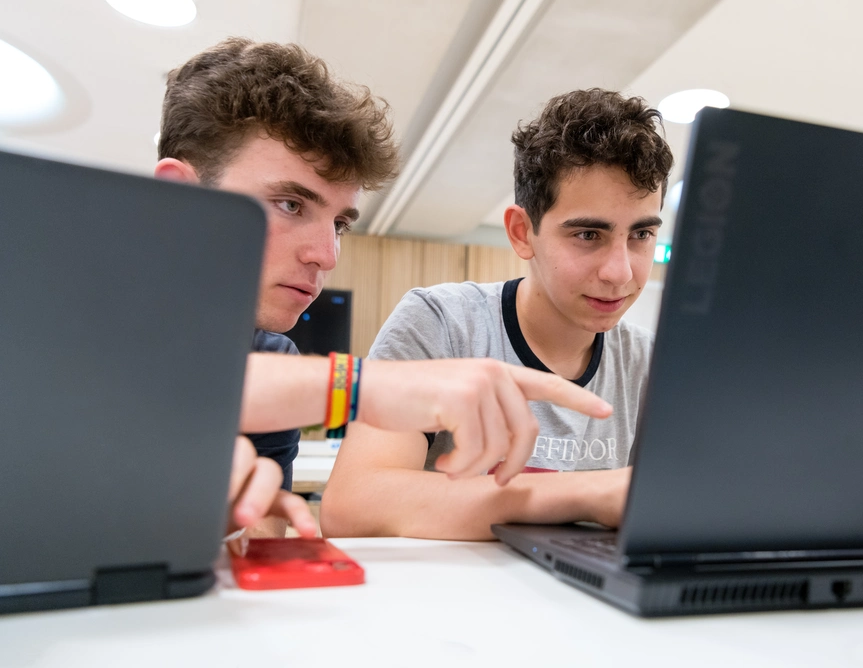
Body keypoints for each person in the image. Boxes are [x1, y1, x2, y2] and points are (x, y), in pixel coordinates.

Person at [154, 39, 613, 539]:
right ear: (180, 195)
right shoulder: (59, 316)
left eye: (340, 224)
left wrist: (208, 531)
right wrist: (363, 389)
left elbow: (251, 553)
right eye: (290, 205)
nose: (326, 255)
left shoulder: (272, 354)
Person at [320, 88, 674, 540]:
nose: (620, 272)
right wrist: (585, 492)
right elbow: (353, 505)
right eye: (588, 234)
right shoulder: (442, 323)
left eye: (641, 234)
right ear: (522, 233)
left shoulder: (651, 363)